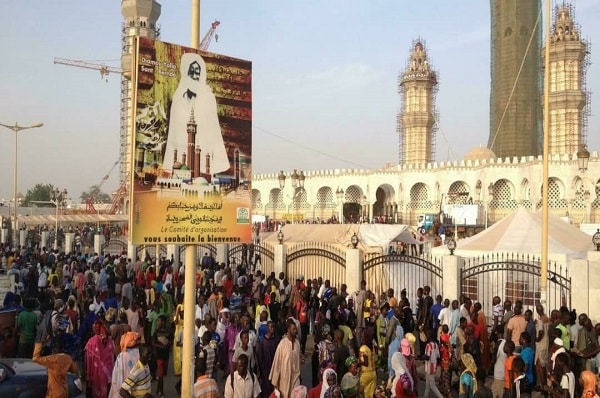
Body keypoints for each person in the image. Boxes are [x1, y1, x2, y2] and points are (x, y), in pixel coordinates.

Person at [162, 52, 229, 175]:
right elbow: (174, 131)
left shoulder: (208, 97)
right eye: (191, 70)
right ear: (186, 72)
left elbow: (214, 131)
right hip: (182, 149)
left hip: (203, 148)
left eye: (197, 71)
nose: (194, 74)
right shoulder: (178, 98)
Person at [32, 333, 81, 398]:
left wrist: (39, 343)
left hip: (53, 393)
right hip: (64, 392)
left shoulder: (51, 359)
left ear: (54, 348)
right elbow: (75, 370)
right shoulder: (68, 358)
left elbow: (35, 358)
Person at [270, 319, 301, 398]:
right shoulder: (282, 344)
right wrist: (275, 382)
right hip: (284, 378)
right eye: (293, 329)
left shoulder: (297, 343)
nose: (295, 331)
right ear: (288, 330)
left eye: (296, 329)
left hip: (295, 378)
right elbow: (277, 363)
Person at [84, 320, 115, 398]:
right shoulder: (110, 341)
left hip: (96, 373)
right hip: (108, 373)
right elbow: (112, 357)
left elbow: (87, 360)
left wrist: (86, 374)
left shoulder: (91, 342)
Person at [109, 332, 141, 398]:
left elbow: (116, 374)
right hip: (137, 388)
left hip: (123, 388)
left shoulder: (122, 356)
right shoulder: (140, 353)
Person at [423, 329, 444, 398]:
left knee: (432, 385)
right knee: (427, 384)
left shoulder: (428, 345)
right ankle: (425, 396)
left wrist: (420, 357)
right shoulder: (436, 345)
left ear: (429, 336)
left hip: (429, 367)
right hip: (433, 365)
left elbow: (427, 357)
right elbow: (438, 356)